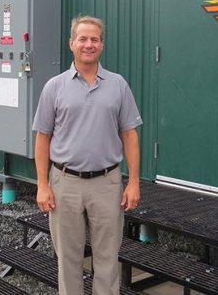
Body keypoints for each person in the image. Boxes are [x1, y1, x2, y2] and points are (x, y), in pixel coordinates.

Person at [33, 15, 142, 295]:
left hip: (107, 183)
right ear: (72, 43)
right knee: (68, 259)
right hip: (64, 183)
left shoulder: (118, 85)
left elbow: (129, 135)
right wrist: (43, 185)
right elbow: (42, 138)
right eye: (83, 38)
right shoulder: (54, 87)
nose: (88, 44)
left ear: (102, 45)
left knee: (107, 259)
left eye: (94, 39)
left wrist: (134, 182)